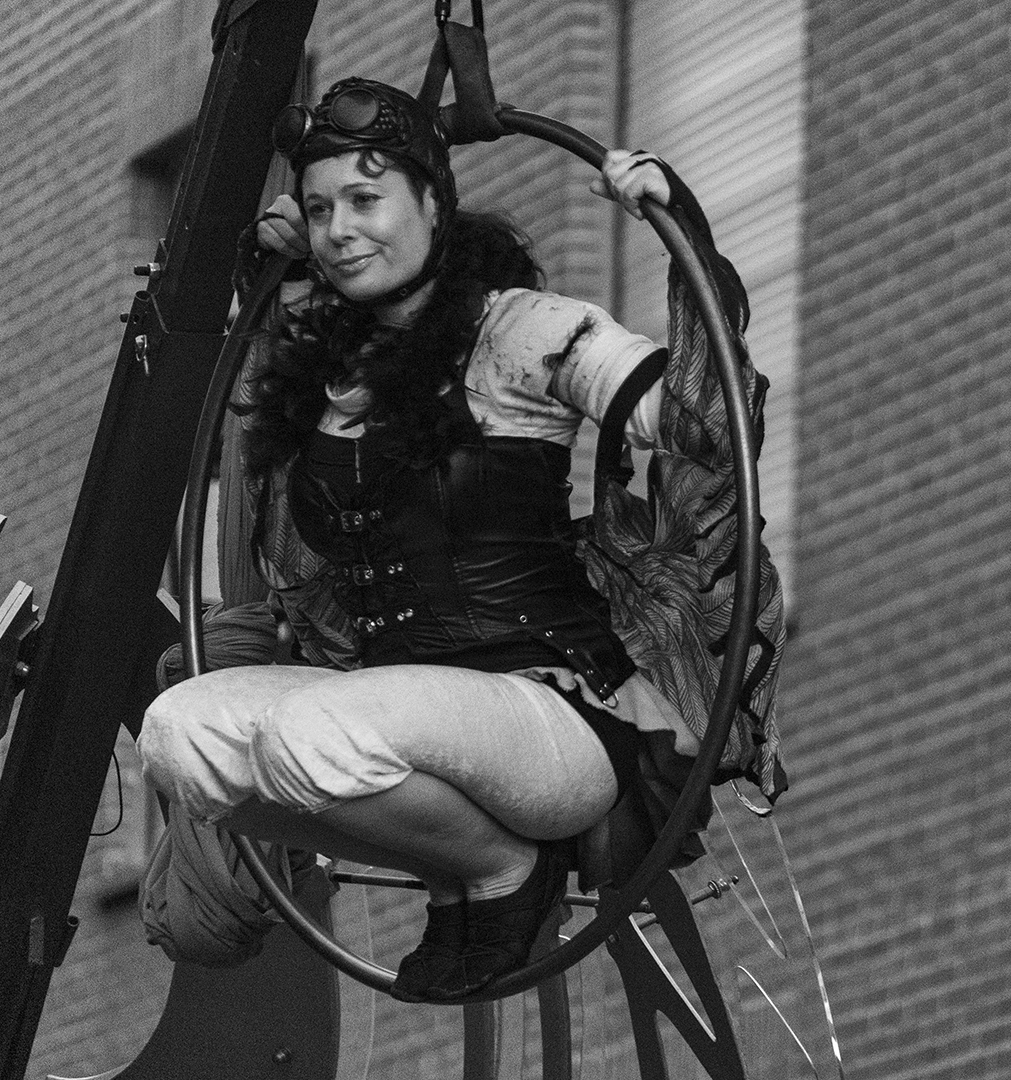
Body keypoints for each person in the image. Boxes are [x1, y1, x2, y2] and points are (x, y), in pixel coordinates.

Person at [137, 76, 709, 1003]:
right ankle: (471, 874)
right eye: (320, 209)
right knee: (181, 734)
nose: (338, 230)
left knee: (308, 733)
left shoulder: (527, 331)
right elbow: (275, 522)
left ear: (434, 203)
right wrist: (263, 286)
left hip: (551, 718)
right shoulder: (330, 370)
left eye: (366, 200)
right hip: (397, 712)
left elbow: (701, 421)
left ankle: (500, 876)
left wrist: (684, 238)